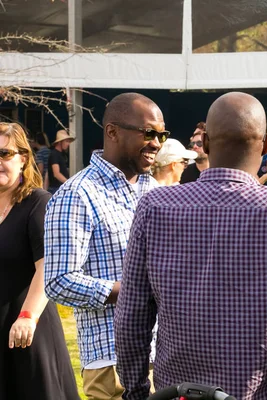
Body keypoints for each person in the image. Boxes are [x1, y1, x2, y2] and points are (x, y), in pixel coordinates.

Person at [114, 92, 267, 400]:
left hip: (176, 393)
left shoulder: (154, 206)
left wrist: (136, 391)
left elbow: (131, 316)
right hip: (260, 393)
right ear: (265, 145)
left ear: (206, 144)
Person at [44, 92, 166, 399]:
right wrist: (133, 290)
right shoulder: (78, 194)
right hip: (111, 360)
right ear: (112, 131)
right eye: (148, 133)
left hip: (167, 354)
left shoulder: (153, 189)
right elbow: (59, 281)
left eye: (162, 135)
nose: (157, 143)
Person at [0, 122, 79, 399]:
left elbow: (46, 266)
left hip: (26, 331)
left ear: (23, 158)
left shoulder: (37, 203)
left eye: (4, 154)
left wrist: (27, 317)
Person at [47, 129, 75, 194]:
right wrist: (69, 183)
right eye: (66, 141)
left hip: (60, 187)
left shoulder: (62, 154)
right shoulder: (54, 154)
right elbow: (56, 174)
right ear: (60, 142)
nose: (68, 144)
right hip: (56, 189)